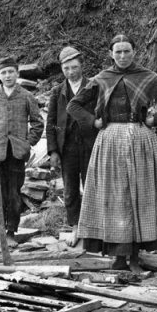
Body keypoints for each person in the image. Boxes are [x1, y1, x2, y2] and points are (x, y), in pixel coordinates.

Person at [70, 34, 157, 272]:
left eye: (127, 51)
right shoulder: (102, 79)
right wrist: (94, 122)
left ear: (134, 52)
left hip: (140, 140)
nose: (122, 56)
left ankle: (134, 257)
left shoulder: (148, 77)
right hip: (110, 140)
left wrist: (155, 119)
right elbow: (74, 105)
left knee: (138, 197)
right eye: (118, 52)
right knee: (115, 199)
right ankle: (118, 257)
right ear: (111, 53)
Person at [0, 56, 44, 237]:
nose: (7, 76)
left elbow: (38, 123)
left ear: (17, 73)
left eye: (11, 72)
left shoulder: (26, 96)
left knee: (14, 192)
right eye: (3, 73)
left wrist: (27, 143)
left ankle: (11, 231)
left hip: (16, 152)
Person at [46, 45, 97, 241]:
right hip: (67, 147)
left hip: (90, 145)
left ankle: (92, 228)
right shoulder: (57, 92)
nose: (70, 72)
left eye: (74, 67)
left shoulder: (94, 87)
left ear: (81, 66)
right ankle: (75, 227)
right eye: (66, 68)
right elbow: (50, 124)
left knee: (92, 186)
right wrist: (53, 151)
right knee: (70, 190)